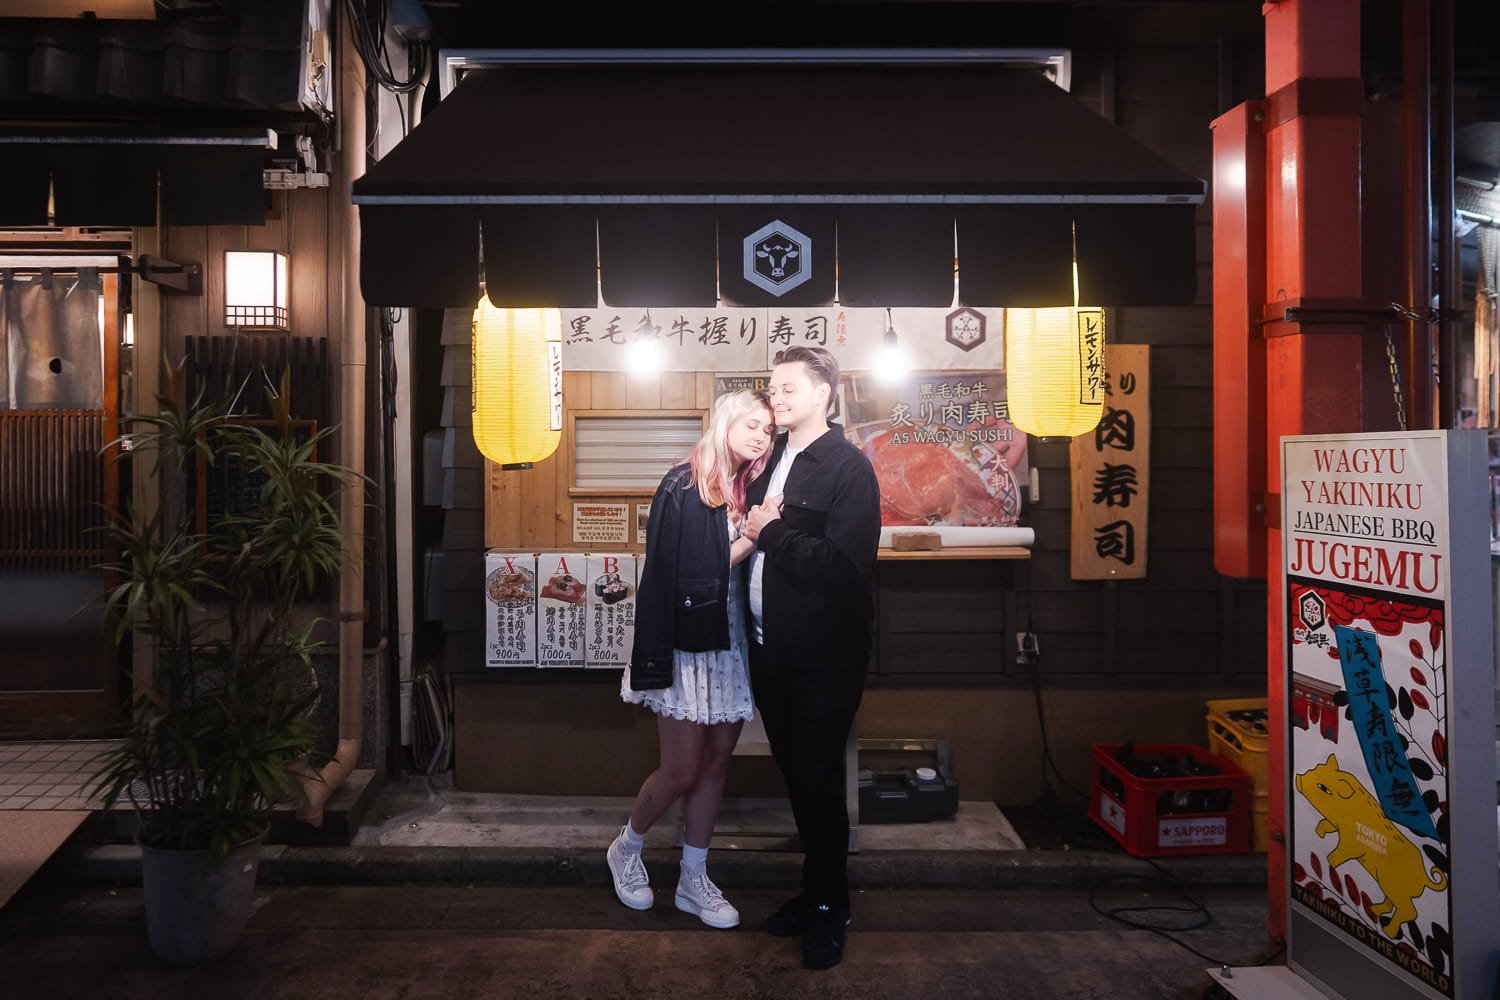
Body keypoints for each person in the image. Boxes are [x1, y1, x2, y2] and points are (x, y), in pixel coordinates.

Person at [607, 388, 776, 930]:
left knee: (716, 763)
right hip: (685, 646)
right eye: (751, 424)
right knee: (681, 767)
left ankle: (692, 880)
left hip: (729, 644)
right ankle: (626, 849)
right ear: (725, 419)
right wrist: (753, 535)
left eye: (768, 430)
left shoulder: (744, 485)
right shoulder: (683, 484)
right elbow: (689, 578)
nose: (759, 436)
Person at [741, 345, 882, 970]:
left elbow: (846, 568)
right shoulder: (771, 459)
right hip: (770, 652)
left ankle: (830, 909)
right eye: (773, 388)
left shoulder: (848, 467)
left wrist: (770, 532)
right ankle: (816, 891)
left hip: (824, 658)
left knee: (820, 782)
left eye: (788, 388)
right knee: (799, 779)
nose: (777, 397)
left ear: (823, 393)